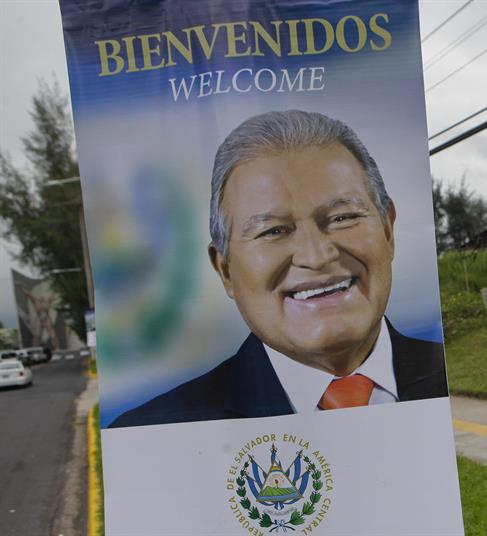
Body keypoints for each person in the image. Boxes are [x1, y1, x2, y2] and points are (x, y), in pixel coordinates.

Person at [110, 110, 447, 428]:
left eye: (343, 218)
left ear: (387, 230)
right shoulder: (151, 434)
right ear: (225, 270)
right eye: (273, 231)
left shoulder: (458, 385)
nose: (316, 256)